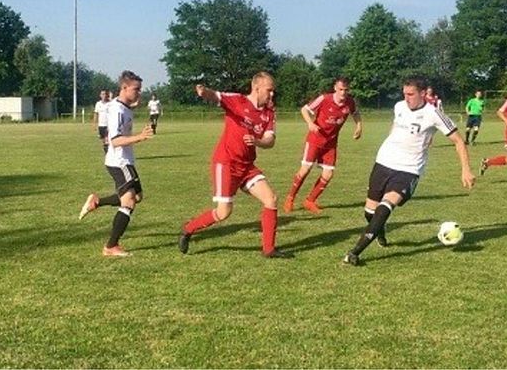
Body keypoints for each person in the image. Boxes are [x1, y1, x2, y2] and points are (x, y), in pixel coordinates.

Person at [342, 77, 475, 266]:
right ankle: (380, 230)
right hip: (384, 162)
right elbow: (395, 126)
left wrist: (466, 170)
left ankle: (355, 252)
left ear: (423, 94)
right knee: (370, 213)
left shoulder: (433, 113)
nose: (407, 98)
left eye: (411, 94)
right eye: (404, 94)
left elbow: (459, 141)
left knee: (386, 205)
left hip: (409, 169)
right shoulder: (399, 107)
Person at [178, 72, 289, 258]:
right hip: (226, 163)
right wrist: (204, 92)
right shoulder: (237, 101)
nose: (272, 95)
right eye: (269, 91)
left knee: (271, 199)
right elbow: (216, 96)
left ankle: (269, 249)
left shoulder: (269, 112)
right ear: (257, 88)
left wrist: (257, 141)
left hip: (247, 166)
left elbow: (270, 140)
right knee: (224, 212)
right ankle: (188, 229)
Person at [78, 71, 155, 257]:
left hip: (125, 160)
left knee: (137, 197)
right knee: (128, 201)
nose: (139, 93)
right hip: (119, 161)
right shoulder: (117, 110)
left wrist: (135, 105)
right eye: (136, 89)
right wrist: (140, 137)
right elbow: (115, 140)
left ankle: (97, 202)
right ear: (124, 88)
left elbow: (128, 108)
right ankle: (111, 246)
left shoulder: (124, 106)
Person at [283, 77, 362, 214]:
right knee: (305, 170)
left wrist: (359, 126)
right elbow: (304, 109)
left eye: (346, 90)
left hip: (330, 144)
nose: (343, 93)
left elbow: (355, 113)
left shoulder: (350, 102)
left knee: (328, 174)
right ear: (335, 88)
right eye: (341, 89)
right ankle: (290, 198)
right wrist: (310, 123)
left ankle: (310, 200)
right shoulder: (324, 99)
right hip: (315, 140)